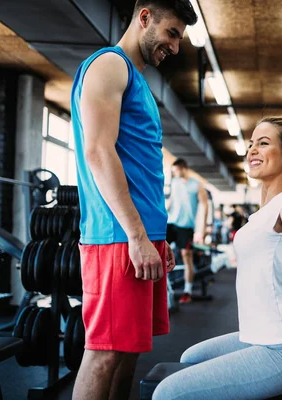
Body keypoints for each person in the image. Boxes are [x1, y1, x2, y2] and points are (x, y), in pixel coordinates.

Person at [69, 1, 197, 399]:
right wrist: (138, 236)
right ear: (145, 17)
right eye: (171, 34)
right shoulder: (109, 65)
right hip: (116, 236)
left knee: (128, 353)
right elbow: (97, 152)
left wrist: (156, 237)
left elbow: (140, 167)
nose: (174, 48)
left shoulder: (137, 80)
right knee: (104, 354)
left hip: (140, 235)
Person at [153, 116, 282, 399]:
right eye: (251, 144)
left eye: (264, 143)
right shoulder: (263, 212)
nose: (252, 150)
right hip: (260, 337)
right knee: (190, 357)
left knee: (166, 394)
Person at [166, 158, 209, 304]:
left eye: (176, 171)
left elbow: (204, 206)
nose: (175, 174)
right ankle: (161, 290)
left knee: (186, 256)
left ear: (184, 168)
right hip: (171, 223)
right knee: (158, 250)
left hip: (186, 226)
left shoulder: (197, 185)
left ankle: (187, 291)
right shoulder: (175, 182)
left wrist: (200, 230)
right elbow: (171, 200)